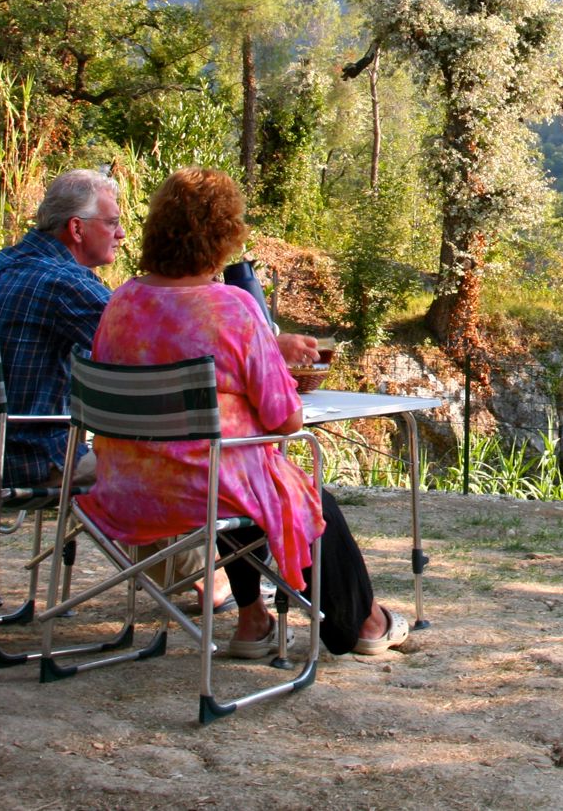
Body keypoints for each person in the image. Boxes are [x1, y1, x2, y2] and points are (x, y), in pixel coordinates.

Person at [79, 167, 411, 658]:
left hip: (123, 488)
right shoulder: (232, 309)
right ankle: (364, 622)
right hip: (203, 491)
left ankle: (253, 622)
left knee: (243, 474)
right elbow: (286, 420)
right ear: (224, 237)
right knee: (293, 494)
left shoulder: (122, 302)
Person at [0, 169, 122, 491]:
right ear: (77, 228)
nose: (120, 234)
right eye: (111, 222)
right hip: (29, 462)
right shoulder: (64, 282)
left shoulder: (4, 263)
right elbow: (147, 347)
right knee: (164, 470)